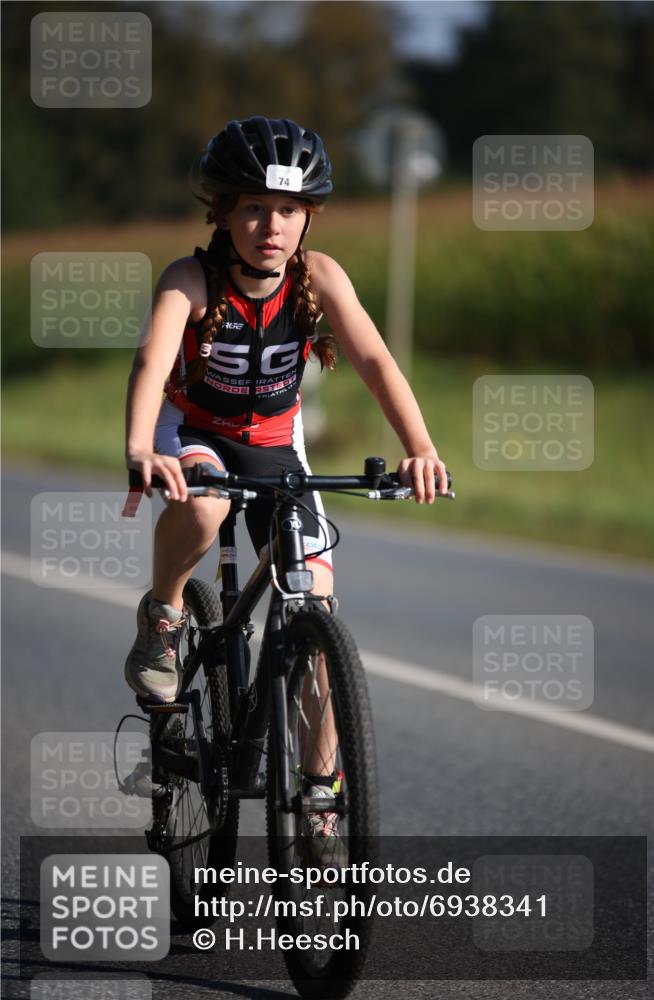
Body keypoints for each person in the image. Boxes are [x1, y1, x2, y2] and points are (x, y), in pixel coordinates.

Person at [123, 116, 447, 830]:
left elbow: (374, 361)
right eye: (254, 208)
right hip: (194, 432)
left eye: (290, 210)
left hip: (275, 445)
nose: (272, 226)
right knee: (204, 507)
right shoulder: (189, 279)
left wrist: (420, 448)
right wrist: (142, 447)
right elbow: (151, 361)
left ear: (309, 217)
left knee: (316, 605)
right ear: (222, 212)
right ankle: (165, 617)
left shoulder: (319, 276)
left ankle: (320, 798)